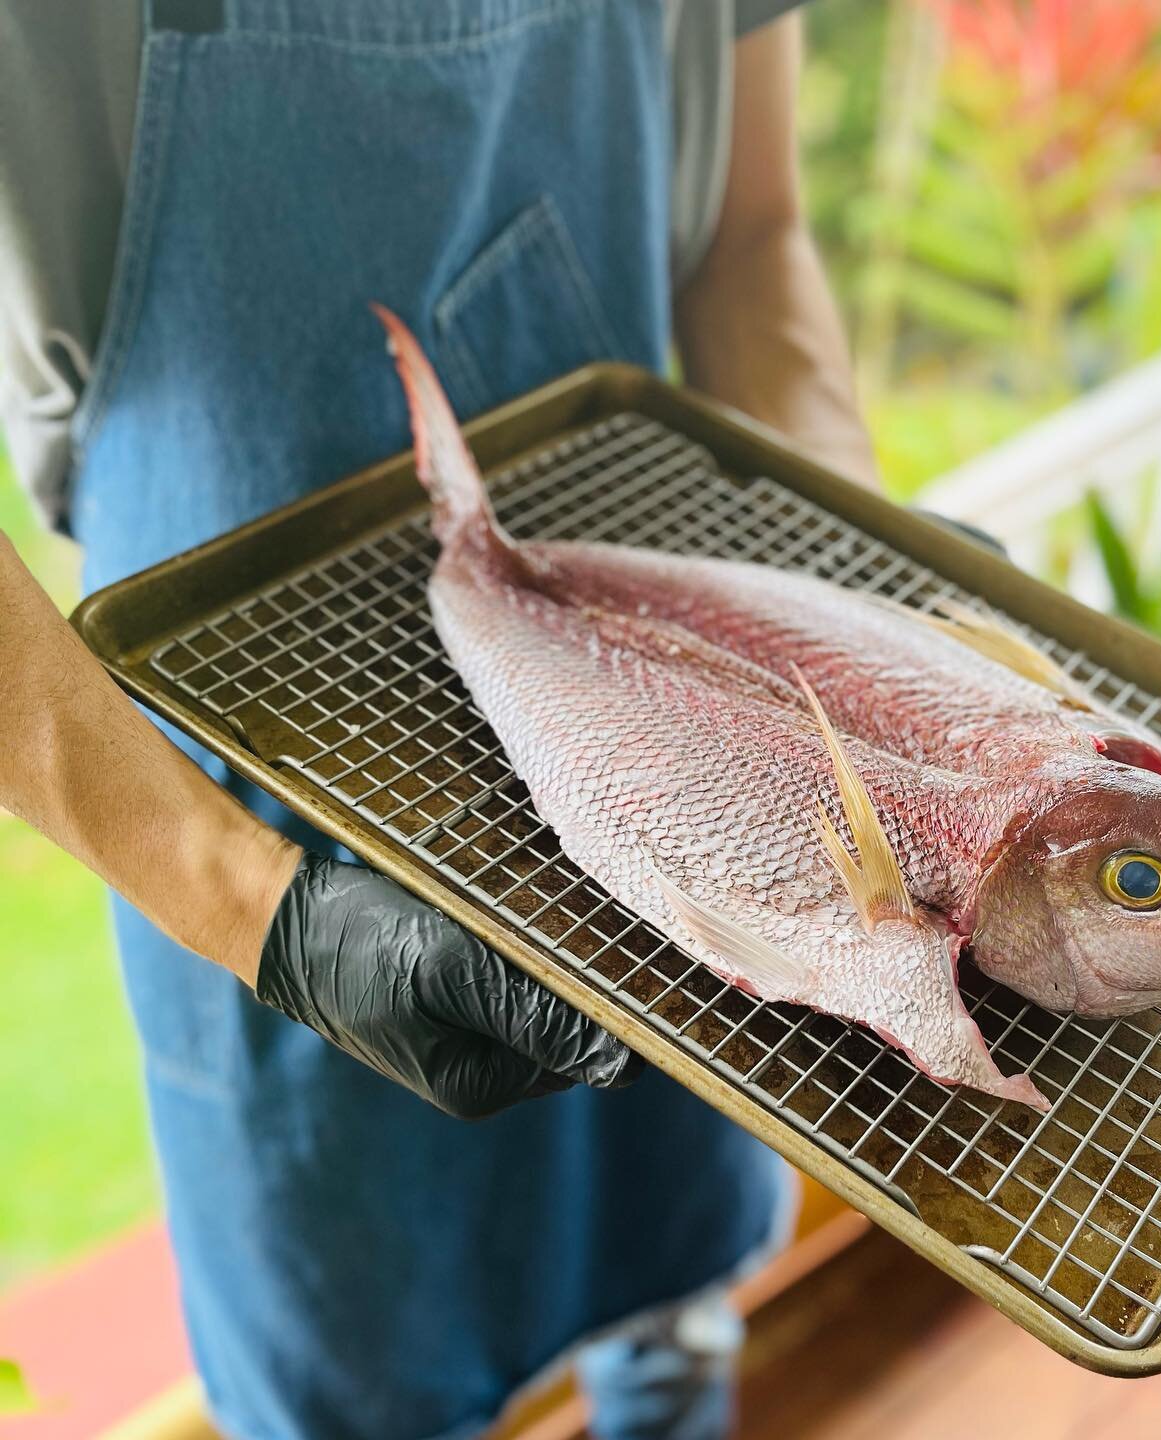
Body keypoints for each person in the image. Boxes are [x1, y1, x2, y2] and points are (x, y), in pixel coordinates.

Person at [0, 2, 879, 1437]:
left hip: (683, 706)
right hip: (262, 798)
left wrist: (860, 571)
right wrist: (261, 911)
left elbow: (751, 239)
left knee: (673, 1305)